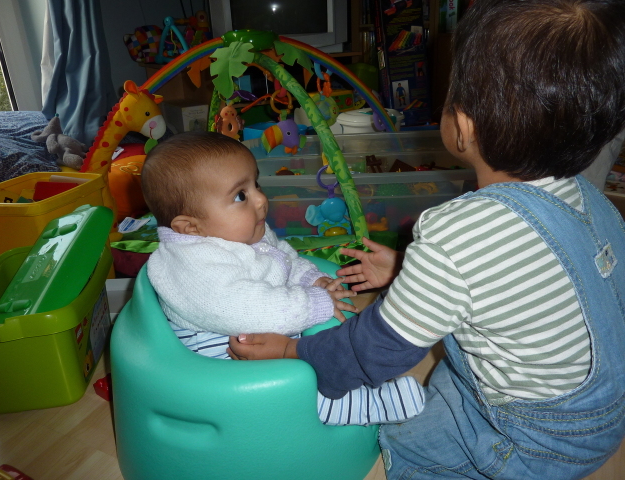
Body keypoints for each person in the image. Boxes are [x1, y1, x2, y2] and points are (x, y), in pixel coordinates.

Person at [229, 0, 625, 478]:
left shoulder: (455, 234)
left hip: (532, 442)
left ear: (463, 127)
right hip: (603, 411)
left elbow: (374, 349)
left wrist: (292, 352)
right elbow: (520, 282)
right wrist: (407, 270)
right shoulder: (593, 199)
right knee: (448, 377)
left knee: (406, 440)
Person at [141, 131, 425, 426]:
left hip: (261, 321)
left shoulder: (242, 232)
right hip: (223, 355)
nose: (261, 199)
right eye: (240, 196)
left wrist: (312, 280)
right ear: (191, 228)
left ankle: (353, 370)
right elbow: (247, 310)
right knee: (292, 391)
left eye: (256, 184)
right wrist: (315, 303)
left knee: (331, 341)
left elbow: (284, 259)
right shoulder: (194, 267)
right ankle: (361, 406)